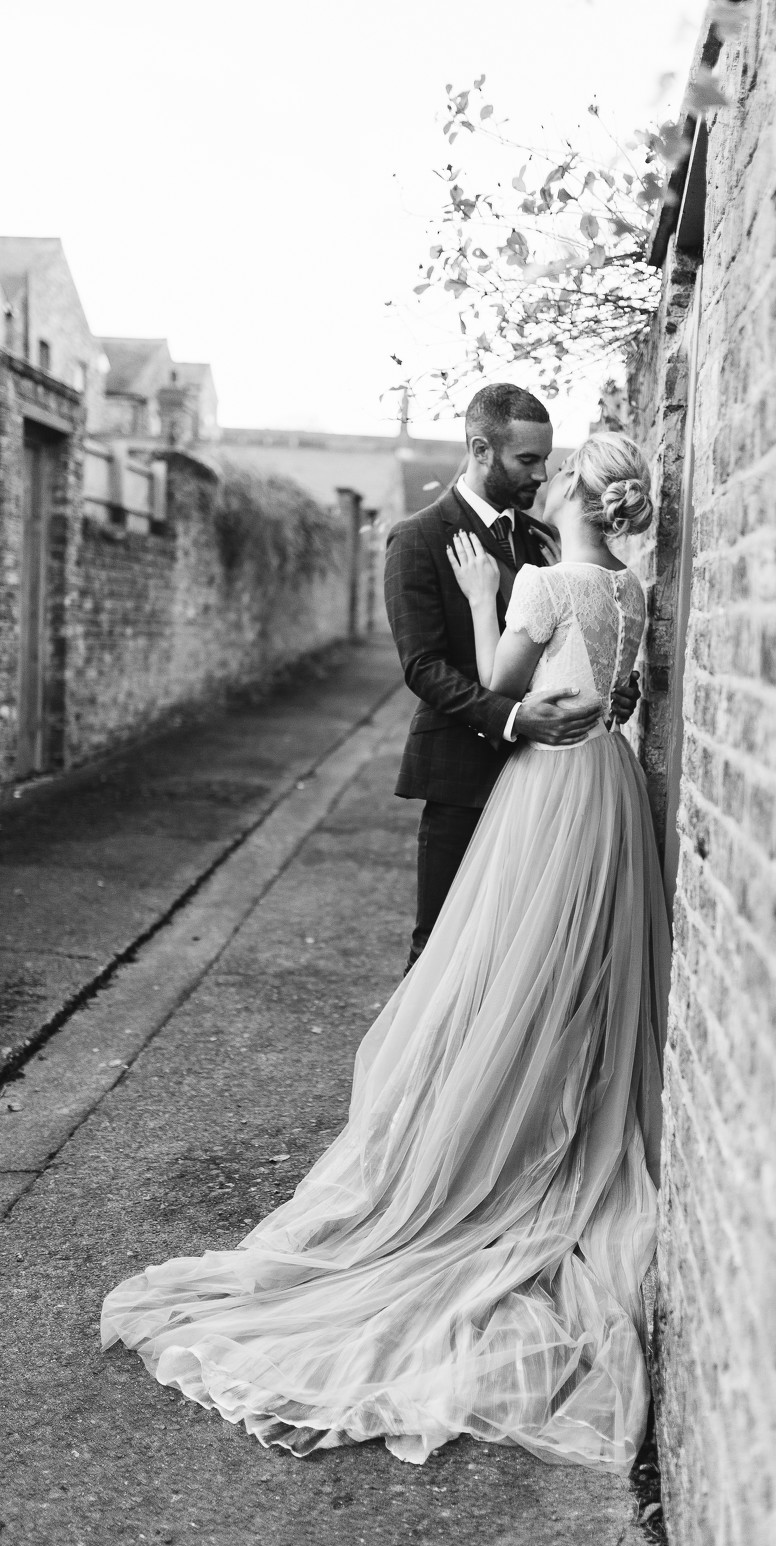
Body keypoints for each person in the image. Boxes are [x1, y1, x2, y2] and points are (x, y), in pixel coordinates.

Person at [100, 431, 670, 1476]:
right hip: (612, 789)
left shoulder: (543, 581)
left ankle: (479, 1141)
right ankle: (560, 1120)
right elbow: (619, 701)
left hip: (546, 790)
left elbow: (500, 677)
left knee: (503, 969)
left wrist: (489, 599)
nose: (541, 478)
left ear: (574, 491)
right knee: (580, 973)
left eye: (555, 469)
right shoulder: (631, 590)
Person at [384, 383, 637, 970]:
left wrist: (608, 691)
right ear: (481, 450)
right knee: (441, 953)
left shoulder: (546, 537)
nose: (542, 474)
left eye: (546, 459)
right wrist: (517, 718)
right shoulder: (418, 536)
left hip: (551, 786)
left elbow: (575, 638)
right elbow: (422, 666)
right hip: (463, 776)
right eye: (527, 460)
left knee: (525, 955)